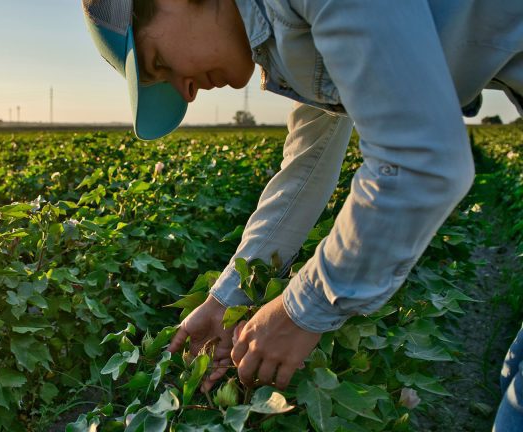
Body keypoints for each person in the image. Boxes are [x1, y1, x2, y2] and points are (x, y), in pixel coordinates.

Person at [81, 0, 523, 428]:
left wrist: (300, 311)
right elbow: (308, 164)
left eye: (160, 63)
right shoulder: (290, 29)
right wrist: (226, 298)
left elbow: (420, 160)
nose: (187, 90)